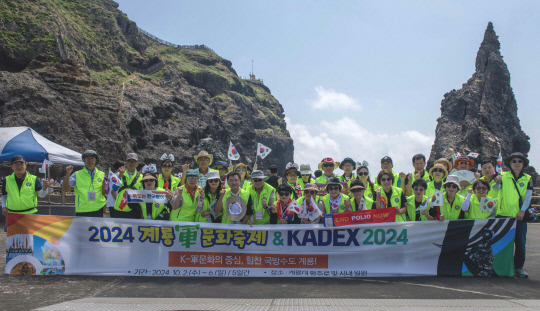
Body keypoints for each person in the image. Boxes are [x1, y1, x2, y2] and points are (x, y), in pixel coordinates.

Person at [494, 152, 534, 278]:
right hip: (503, 215)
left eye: (520, 161)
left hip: (519, 216)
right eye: (514, 161)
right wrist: (497, 182)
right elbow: (494, 190)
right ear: (510, 163)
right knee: (501, 243)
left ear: (523, 164)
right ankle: (498, 267)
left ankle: (518, 268)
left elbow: (528, 197)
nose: (517, 163)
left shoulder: (528, 178)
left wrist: (522, 211)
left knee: (520, 244)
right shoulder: (502, 176)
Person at [62, 150, 106, 217]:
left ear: (96, 160)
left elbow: (103, 192)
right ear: (84, 160)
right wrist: (68, 174)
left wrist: (104, 206)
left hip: (98, 210)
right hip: (82, 211)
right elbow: (65, 189)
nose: (90, 160)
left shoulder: (102, 175)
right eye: (87, 158)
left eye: (92, 158)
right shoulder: (76, 175)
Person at [111, 153, 143, 218]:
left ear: (137, 164)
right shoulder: (118, 174)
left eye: (134, 161)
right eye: (129, 161)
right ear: (125, 163)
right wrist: (119, 201)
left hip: (134, 210)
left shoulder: (141, 177)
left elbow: (143, 195)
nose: (131, 163)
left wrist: (142, 211)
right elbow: (113, 190)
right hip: (119, 210)